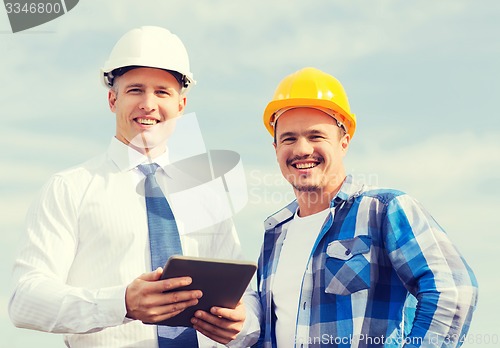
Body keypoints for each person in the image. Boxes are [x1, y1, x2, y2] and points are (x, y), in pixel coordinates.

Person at [9, 26, 261, 348]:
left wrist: (242, 323)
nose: (148, 104)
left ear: (181, 105)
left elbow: (247, 298)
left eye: (162, 92)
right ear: (112, 99)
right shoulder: (69, 188)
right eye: (135, 90)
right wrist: (122, 303)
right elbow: (24, 299)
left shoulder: (205, 195)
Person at [256, 67, 478, 347]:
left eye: (316, 136)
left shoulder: (384, 210)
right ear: (275, 147)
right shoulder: (275, 234)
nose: (301, 149)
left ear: (344, 142)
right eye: (289, 138)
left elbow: (454, 290)